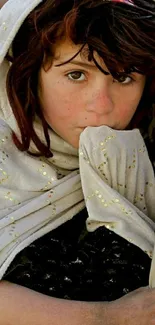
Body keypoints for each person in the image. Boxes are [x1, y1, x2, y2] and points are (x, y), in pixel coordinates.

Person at [0, 0, 155, 324]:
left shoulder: (147, 155)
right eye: (75, 74)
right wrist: (106, 318)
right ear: (29, 72)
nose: (101, 105)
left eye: (124, 77)